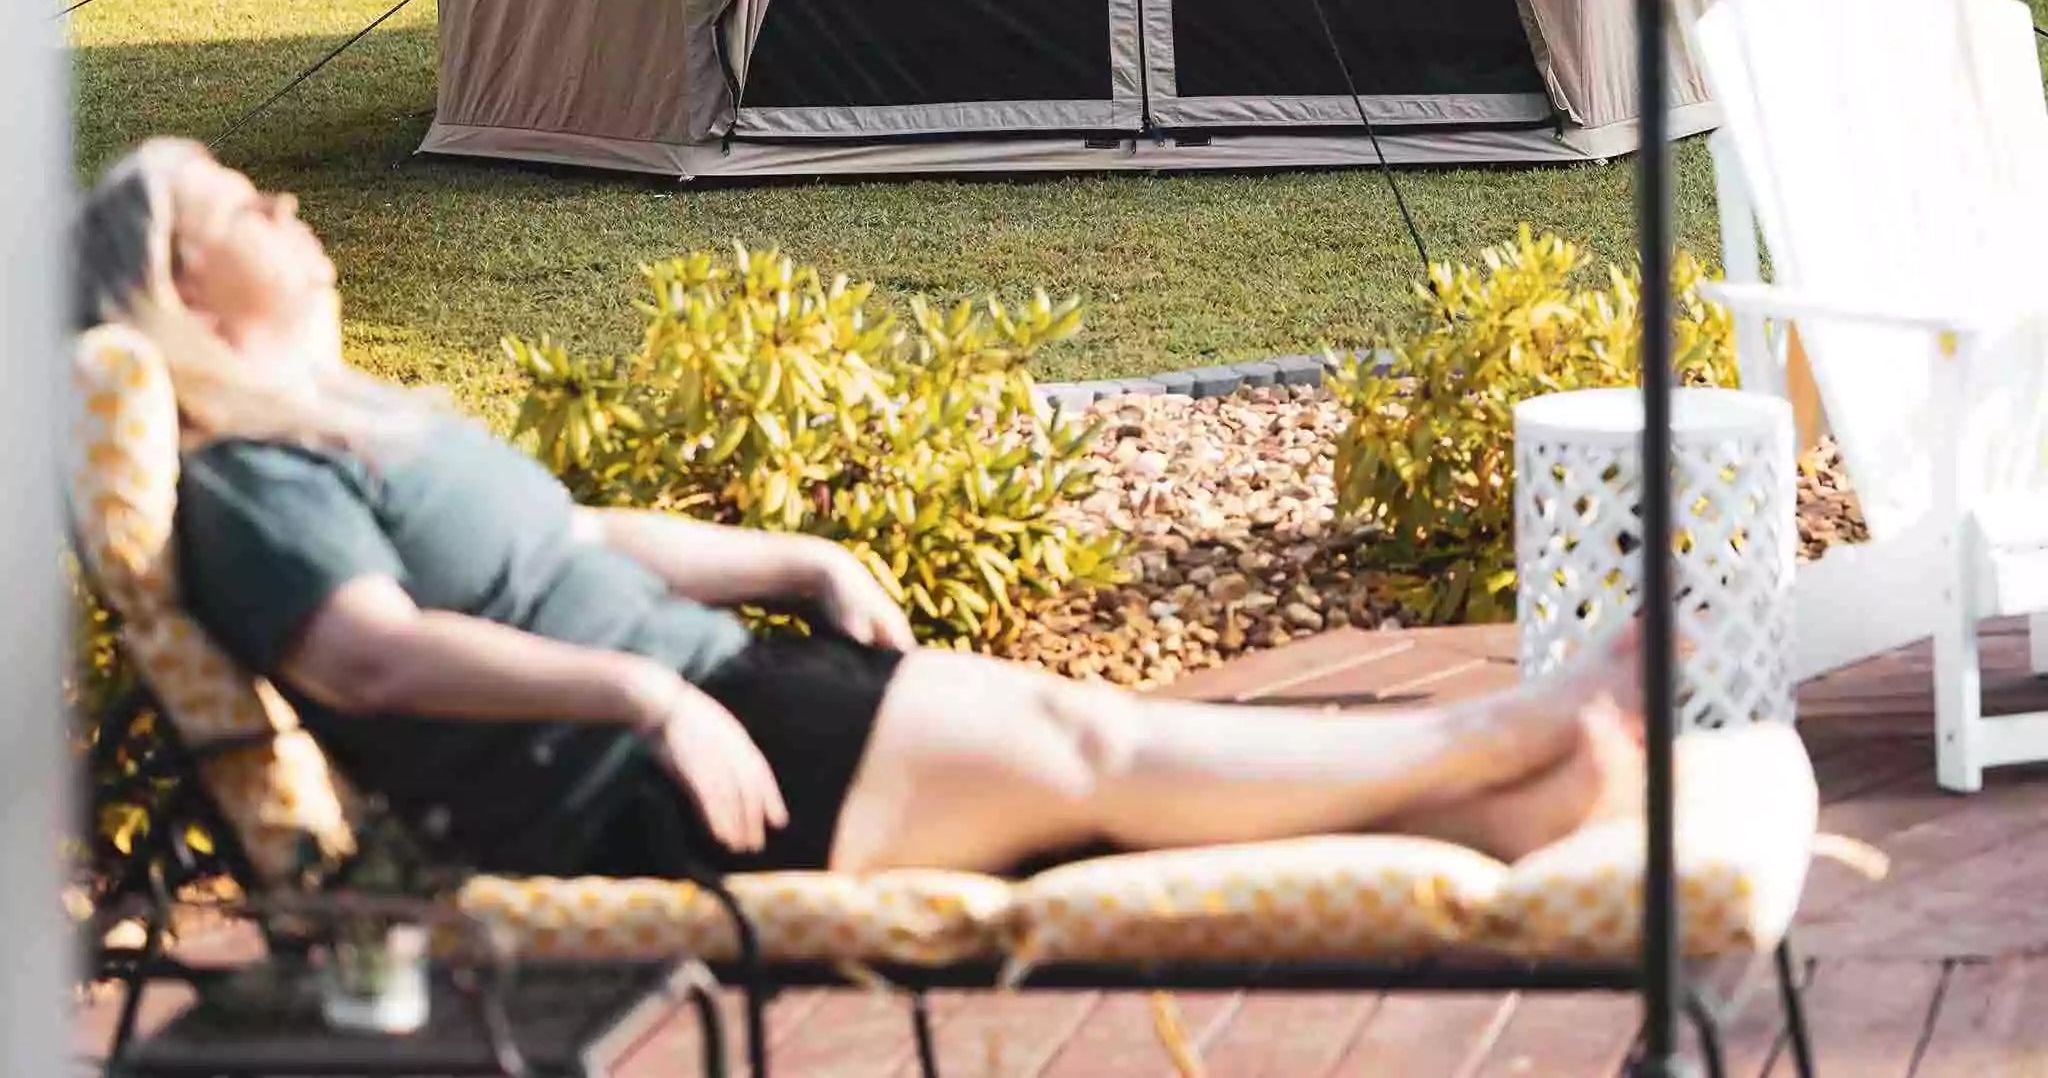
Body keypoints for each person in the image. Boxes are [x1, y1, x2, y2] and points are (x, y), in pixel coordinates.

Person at [72, 137, 1642, 883]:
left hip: (724, 701)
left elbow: (583, 539)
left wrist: (802, 556)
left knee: (1092, 792)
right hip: (642, 788)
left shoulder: (371, 433)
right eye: (240, 209)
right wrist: (641, 694)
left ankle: (1503, 818)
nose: (286, 207)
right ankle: (1494, 738)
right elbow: (373, 660)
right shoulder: (252, 484)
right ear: (181, 291)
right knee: (1092, 758)